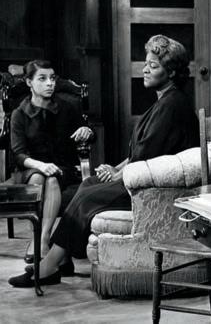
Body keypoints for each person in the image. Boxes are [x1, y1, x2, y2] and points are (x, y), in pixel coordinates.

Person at [9, 35, 200, 288]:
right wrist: (116, 169)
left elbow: (148, 158)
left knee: (88, 197)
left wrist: (118, 175)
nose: (144, 69)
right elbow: (140, 152)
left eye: (153, 66)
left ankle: (50, 265)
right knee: (88, 184)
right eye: (145, 63)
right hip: (142, 178)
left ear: (172, 72)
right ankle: (62, 257)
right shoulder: (164, 101)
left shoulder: (172, 105)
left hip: (154, 190)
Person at [10, 60, 94, 260]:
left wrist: (87, 131)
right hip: (30, 169)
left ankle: (42, 239)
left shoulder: (67, 108)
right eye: (42, 78)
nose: (50, 83)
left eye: (52, 78)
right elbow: (19, 154)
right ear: (29, 82)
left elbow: (89, 134)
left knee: (53, 178)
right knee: (40, 177)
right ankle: (39, 238)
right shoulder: (19, 114)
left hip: (63, 169)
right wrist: (41, 165)